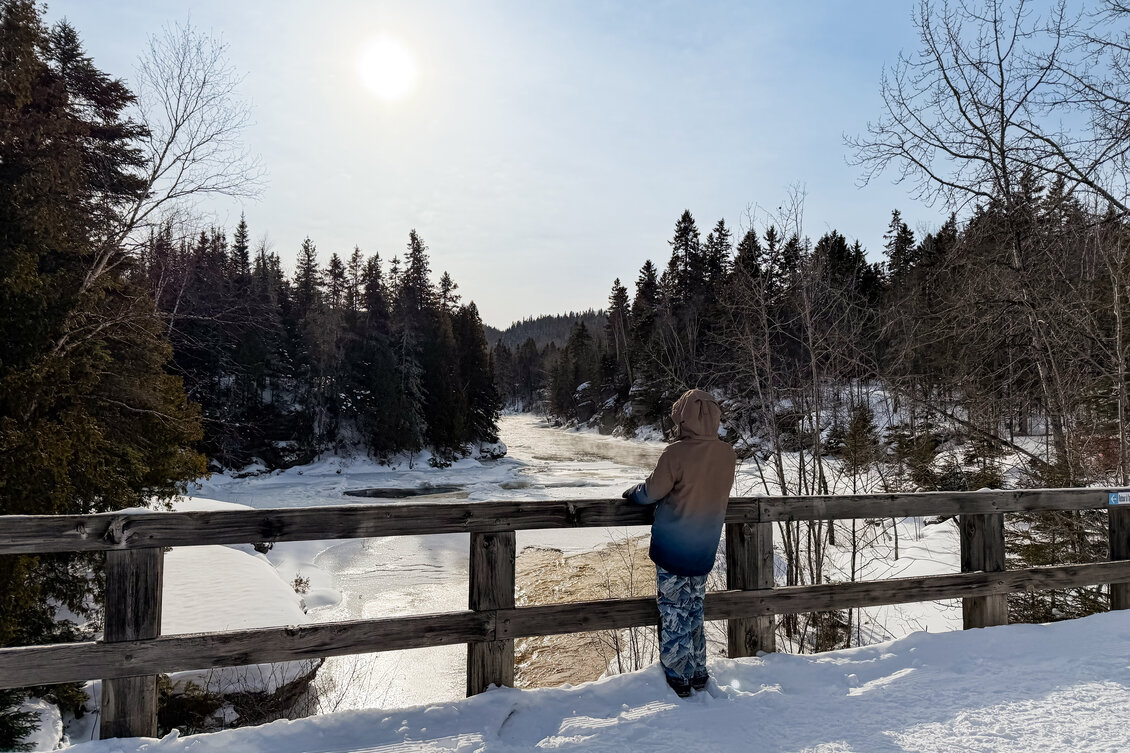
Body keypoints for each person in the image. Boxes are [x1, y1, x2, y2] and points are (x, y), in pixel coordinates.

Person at [623, 388, 736, 697]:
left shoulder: (676, 453)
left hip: (674, 547)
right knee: (695, 608)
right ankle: (698, 670)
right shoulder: (727, 454)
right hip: (704, 546)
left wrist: (633, 493)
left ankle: (677, 676)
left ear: (683, 419)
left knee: (674, 610)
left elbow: (651, 492)